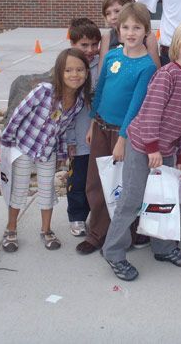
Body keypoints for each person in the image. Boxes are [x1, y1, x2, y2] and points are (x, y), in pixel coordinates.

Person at [102, 21, 181, 281]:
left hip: (166, 151)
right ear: (176, 46)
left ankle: (163, 247)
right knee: (131, 201)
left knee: (163, 202)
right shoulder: (167, 74)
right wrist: (151, 148)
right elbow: (150, 113)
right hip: (142, 147)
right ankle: (113, 252)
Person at [77, 2, 157, 255]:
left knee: (124, 186)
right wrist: (92, 122)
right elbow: (100, 91)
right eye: (125, 27)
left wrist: (122, 139)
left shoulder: (147, 66)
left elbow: (136, 106)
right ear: (118, 30)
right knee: (97, 182)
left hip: (126, 133)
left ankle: (125, 233)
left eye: (137, 27)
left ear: (146, 31)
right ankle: (97, 232)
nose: (131, 32)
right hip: (101, 126)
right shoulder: (111, 56)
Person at [0, 49, 91, 252]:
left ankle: (46, 229)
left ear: (86, 73)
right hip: (23, 146)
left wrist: (60, 155)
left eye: (79, 70)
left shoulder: (77, 102)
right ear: (59, 72)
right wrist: (7, 142)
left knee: (47, 189)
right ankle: (11, 229)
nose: (74, 75)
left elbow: (62, 131)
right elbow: (18, 115)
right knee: (20, 188)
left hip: (47, 151)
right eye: (68, 70)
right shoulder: (44, 90)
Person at [64, 18, 101, 236]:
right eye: (84, 45)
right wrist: (69, 140)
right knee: (77, 181)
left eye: (94, 44)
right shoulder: (67, 68)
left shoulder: (101, 66)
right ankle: (77, 217)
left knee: (97, 181)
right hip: (78, 138)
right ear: (72, 43)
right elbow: (64, 111)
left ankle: (97, 216)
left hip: (99, 137)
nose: (90, 50)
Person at [98, 0, 160, 73]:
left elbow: (156, 70)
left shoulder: (148, 37)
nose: (113, 17)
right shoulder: (107, 37)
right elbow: (102, 69)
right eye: (108, 13)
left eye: (117, 11)